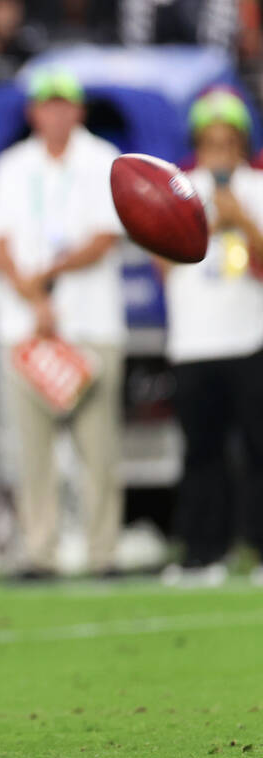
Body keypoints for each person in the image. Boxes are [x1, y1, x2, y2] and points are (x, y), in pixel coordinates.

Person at [0, 68, 125, 578]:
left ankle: (103, 550)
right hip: (27, 329)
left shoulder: (103, 159)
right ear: (33, 111)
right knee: (32, 450)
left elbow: (106, 236)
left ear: (79, 110)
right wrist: (34, 298)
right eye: (48, 103)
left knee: (99, 447)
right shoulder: (12, 166)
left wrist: (46, 278)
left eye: (65, 103)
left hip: (90, 323)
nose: (57, 112)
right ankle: (38, 551)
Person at [159, 90, 263, 585]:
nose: (220, 152)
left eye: (229, 142)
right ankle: (203, 553)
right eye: (211, 142)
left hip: (249, 338)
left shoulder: (257, 188)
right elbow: (163, 263)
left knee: (259, 449)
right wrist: (206, 227)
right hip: (194, 340)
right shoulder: (179, 190)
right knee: (201, 453)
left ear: (242, 144)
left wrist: (240, 219)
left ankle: (260, 552)